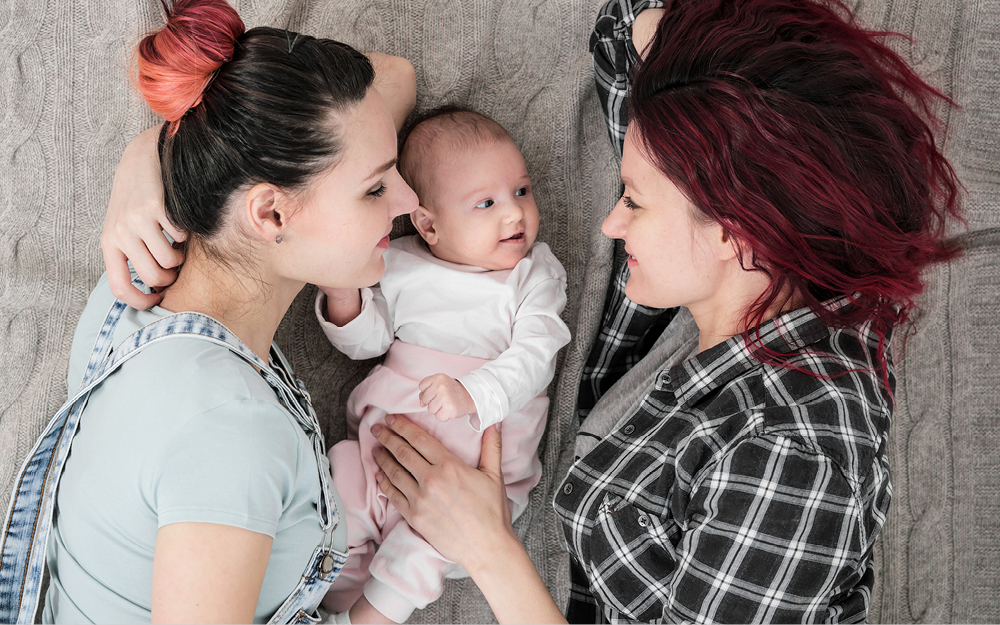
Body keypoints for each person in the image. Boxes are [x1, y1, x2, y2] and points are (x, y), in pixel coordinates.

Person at [363, 0, 963, 623]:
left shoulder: (791, 454)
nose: (610, 223)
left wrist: (487, 547)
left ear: (735, 233)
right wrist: (709, 87)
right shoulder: (734, 293)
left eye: (634, 203)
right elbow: (627, 24)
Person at [0, 0, 420, 621]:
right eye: (375, 188)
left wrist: (155, 148)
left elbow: (394, 78)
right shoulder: (231, 432)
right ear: (271, 213)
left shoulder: (135, 286)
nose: (409, 200)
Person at [315, 108, 571, 624]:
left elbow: (538, 351)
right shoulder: (400, 262)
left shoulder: (531, 275)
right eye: (487, 203)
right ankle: (322, 602)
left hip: (476, 469)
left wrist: (474, 392)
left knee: (419, 550)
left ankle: (368, 617)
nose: (514, 214)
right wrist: (343, 295)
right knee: (334, 494)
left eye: (522, 191)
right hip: (378, 447)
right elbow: (368, 343)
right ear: (428, 223)